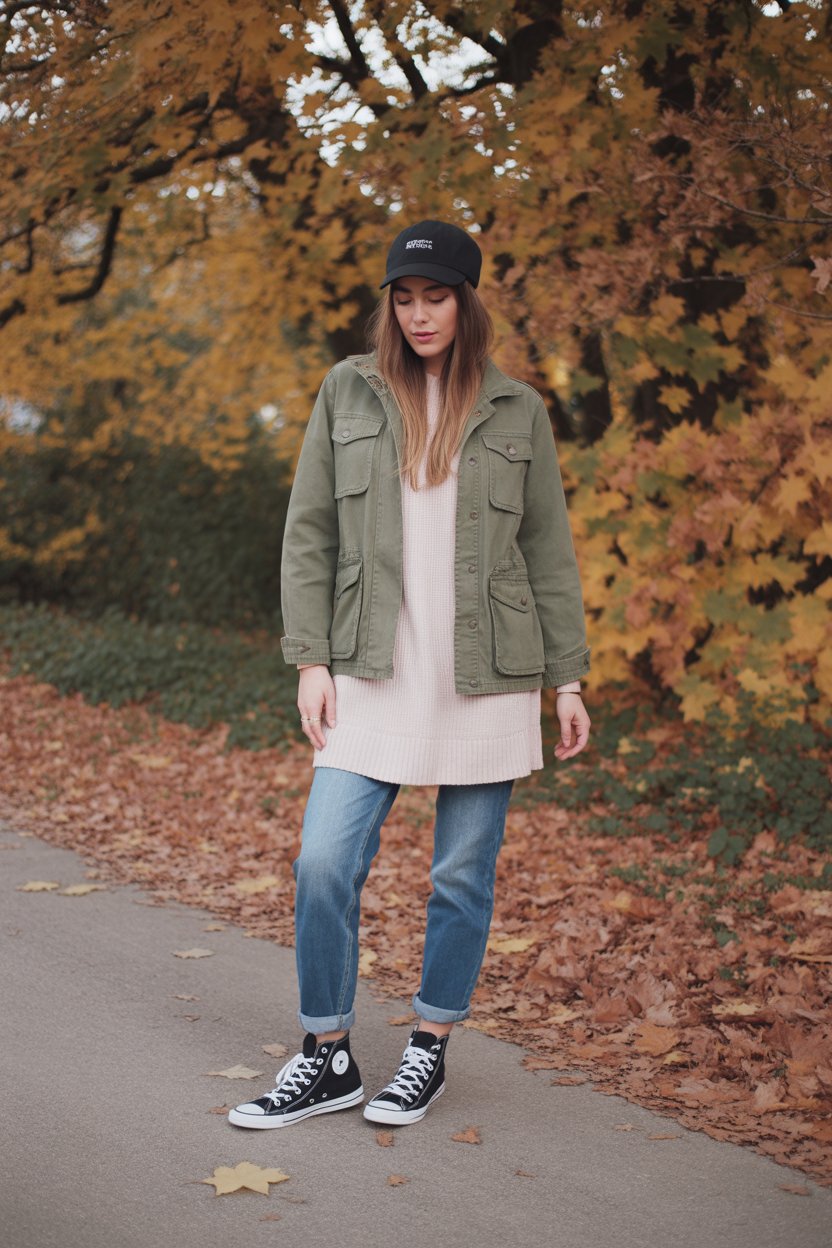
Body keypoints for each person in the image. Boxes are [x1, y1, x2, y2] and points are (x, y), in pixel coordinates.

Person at [228, 219, 591, 1131]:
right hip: (370, 666)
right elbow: (309, 532)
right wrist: (310, 658)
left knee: (461, 877)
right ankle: (327, 1055)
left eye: (437, 297)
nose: (420, 314)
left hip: (489, 674)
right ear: (389, 304)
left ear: (467, 304)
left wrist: (568, 680)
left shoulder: (518, 410)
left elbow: (549, 551)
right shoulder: (347, 391)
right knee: (322, 862)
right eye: (405, 298)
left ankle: (428, 1046)